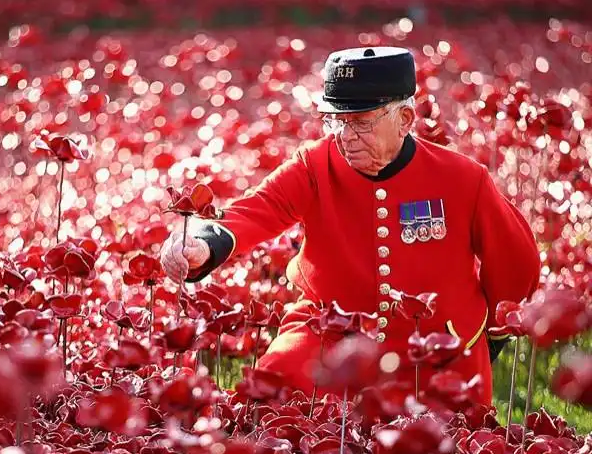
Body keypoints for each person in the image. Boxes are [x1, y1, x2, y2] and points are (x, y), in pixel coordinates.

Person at [159, 46, 540, 404]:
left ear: (404, 119)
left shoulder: (462, 178)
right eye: (336, 122)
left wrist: (491, 334)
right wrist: (204, 243)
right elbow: (261, 207)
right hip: (331, 335)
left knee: (446, 451)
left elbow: (514, 262)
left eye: (360, 123)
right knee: (268, 394)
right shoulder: (314, 163)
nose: (345, 137)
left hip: (439, 345)